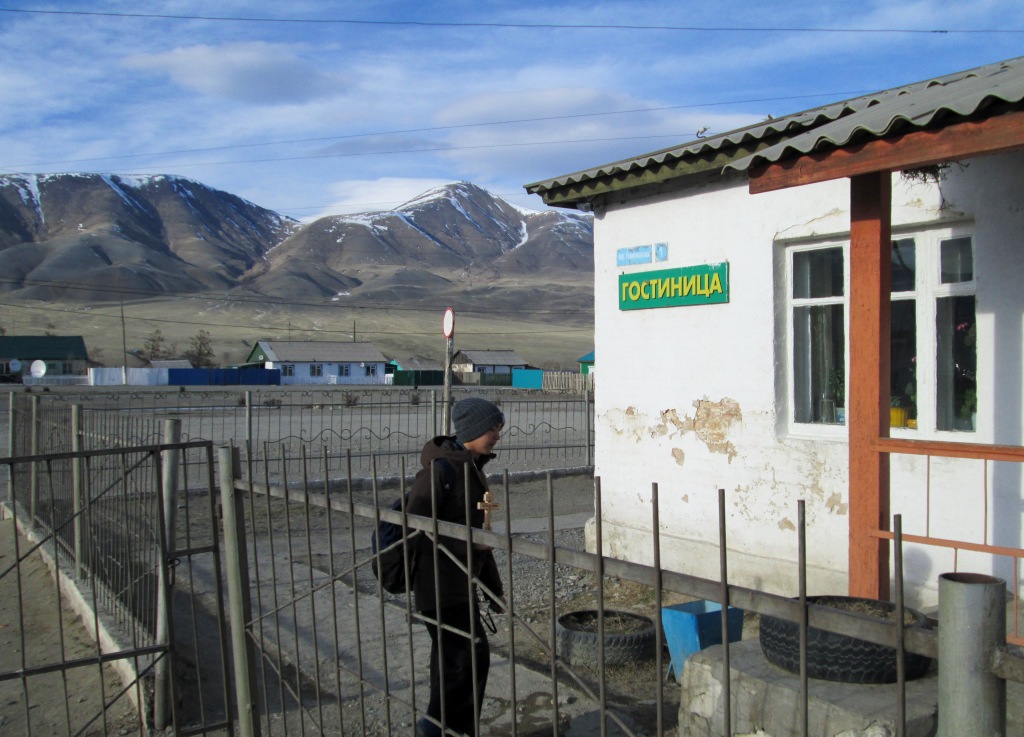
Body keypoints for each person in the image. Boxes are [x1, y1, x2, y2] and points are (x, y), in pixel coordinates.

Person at [407, 397, 505, 737]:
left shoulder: (471, 468)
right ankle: (441, 731)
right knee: (465, 662)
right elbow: (415, 528)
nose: (497, 435)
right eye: (492, 428)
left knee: (456, 663)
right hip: (439, 585)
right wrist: (469, 544)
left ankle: (443, 729)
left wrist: (493, 587)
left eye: (498, 428)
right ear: (473, 430)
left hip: (460, 584)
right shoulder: (442, 471)